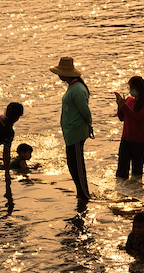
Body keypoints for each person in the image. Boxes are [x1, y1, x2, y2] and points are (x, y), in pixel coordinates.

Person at [50, 57, 93, 201]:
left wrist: (89, 126)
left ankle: (84, 195)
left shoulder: (77, 89)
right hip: (70, 133)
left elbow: (85, 111)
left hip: (76, 132)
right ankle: (80, 192)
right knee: (72, 164)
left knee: (77, 165)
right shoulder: (73, 87)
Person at [114, 76, 144, 178]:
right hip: (126, 139)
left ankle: (136, 191)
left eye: (132, 88)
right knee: (121, 171)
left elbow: (136, 118)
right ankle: (121, 191)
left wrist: (124, 106)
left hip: (140, 141)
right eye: (129, 88)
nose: (130, 90)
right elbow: (122, 117)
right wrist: (120, 105)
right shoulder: (129, 100)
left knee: (137, 172)